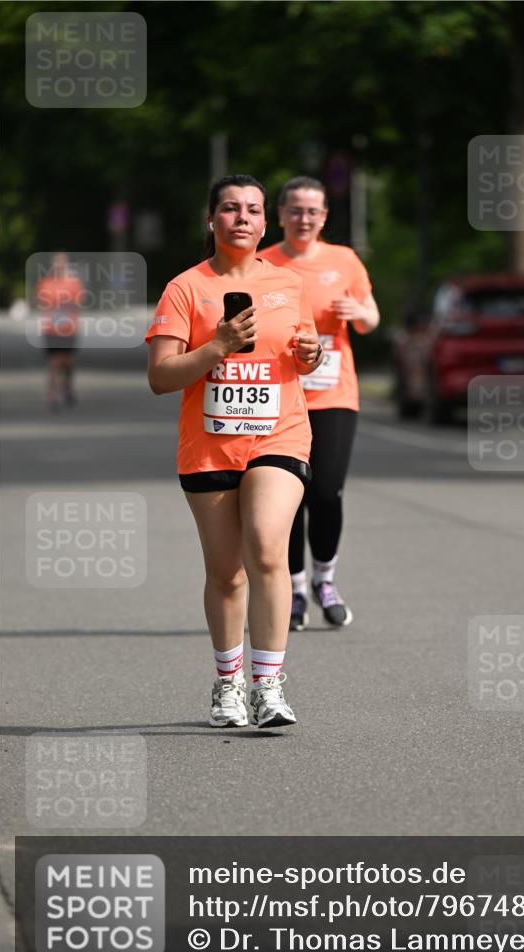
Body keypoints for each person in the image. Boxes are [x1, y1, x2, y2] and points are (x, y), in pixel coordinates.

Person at [146, 174, 323, 728]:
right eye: (229, 209)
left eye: (252, 210)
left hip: (280, 434)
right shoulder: (185, 288)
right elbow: (160, 376)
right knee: (226, 574)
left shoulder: (290, 285)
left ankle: (268, 685)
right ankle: (228, 686)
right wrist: (217, 345)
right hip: (210, 444)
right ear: (212, 221)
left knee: (268, 548)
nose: (242, 218)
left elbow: (302, 355)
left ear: (265, 222)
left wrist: (311, 354)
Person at [260, 177, 379, 630]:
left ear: (325, 216)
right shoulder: (264, 263)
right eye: (295, 210)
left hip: (334, 393)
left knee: (326, 491)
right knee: (288, 495)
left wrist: (360, 314)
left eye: (312, 211)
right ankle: (292, 589)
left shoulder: (343, 260)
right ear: (281, 214)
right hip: (281, 395)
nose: (303, 219)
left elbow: (371, 318)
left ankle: (324, 580)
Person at [35, 251, 84, 410]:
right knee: (54, 362)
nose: (59, 266)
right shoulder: (46, 283)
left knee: (67, 362)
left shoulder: (73, 283)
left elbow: (78, 303)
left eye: (62, 263)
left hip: (69, 328)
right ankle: (52, 395)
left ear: (66, 265)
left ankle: (67, 387)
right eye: (56, 263)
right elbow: (41, 302)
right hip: (51, 329)